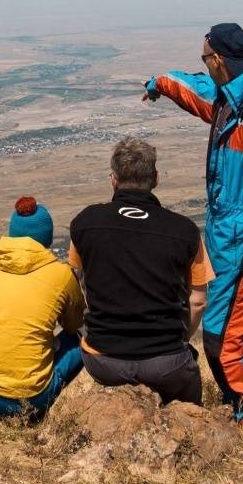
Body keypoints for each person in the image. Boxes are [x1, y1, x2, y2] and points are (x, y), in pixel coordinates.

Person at [143, 23, 243, 431]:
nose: (204, 66)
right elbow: (192, 88)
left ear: (219, 60)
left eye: (205, 59)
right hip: (229, 247)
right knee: (236, 337)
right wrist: (158, 84)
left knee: (225, 342)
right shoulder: (230, 101)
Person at [68, 138, 213, 405]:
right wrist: (179, 340)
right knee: (186, 400)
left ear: (114, 179)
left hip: (102, 359)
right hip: (166, 362)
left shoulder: (85, 223)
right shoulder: (184, 232)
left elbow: (73, 281)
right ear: (155, 179)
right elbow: (198, 300)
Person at [0, 196, 85, 420]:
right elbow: (74, 324)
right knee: (82, 337)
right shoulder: (61, 275)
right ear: (46, 238)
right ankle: (36, 414)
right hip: (32, 396)